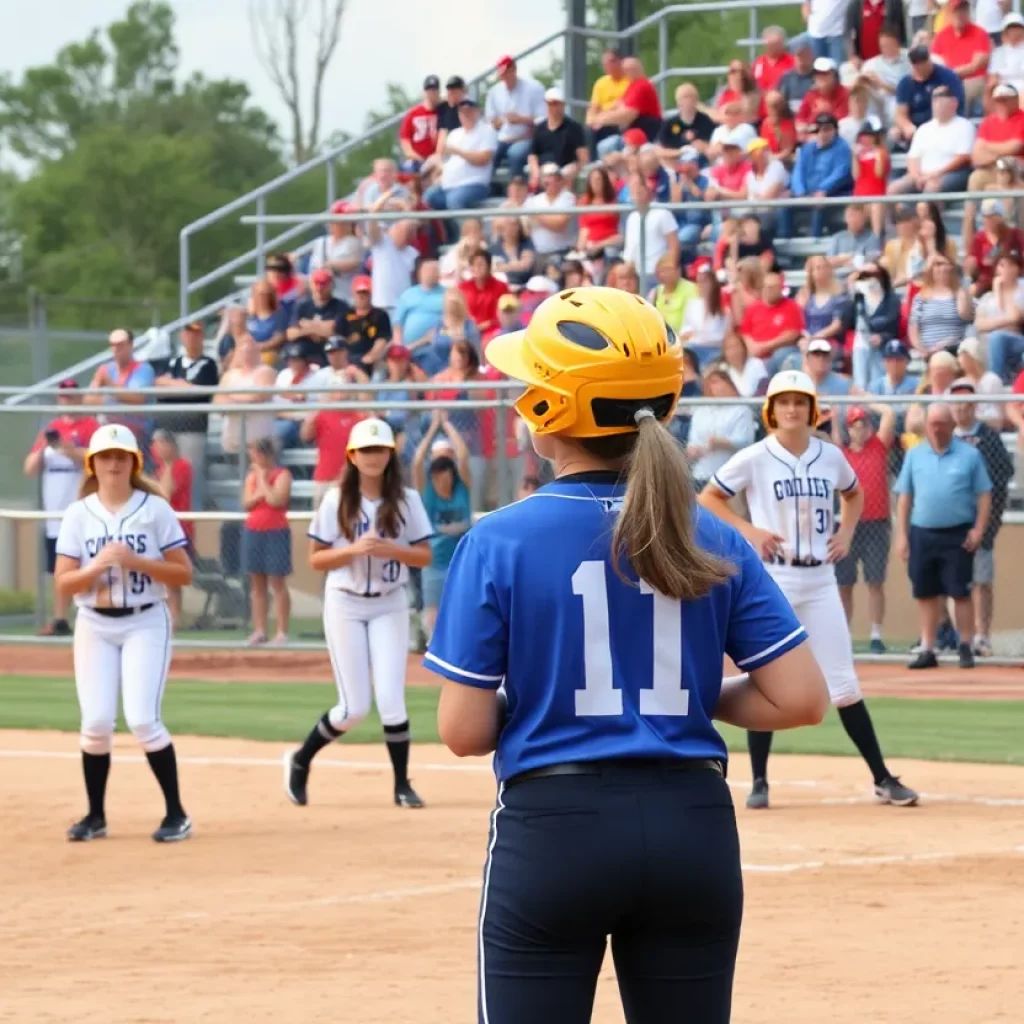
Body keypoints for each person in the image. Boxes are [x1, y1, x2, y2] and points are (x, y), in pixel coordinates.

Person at [424, 288, 829, 1024]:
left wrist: (561, 696)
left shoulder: (498, 539)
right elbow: (799, 699)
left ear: (554, 410)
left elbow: (463, 730)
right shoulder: (713, 534)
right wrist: (679, 691)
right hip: (691, 825)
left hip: (556, 828)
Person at [699, 370, 919, 810]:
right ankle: (759, 781)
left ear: (812, 409)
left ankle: (882, 778)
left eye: (800, 401)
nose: (792, 409)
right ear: (771, 411)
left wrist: (848, 533)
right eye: (783, 402)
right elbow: (708, 498)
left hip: (819, 578)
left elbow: (853, 495)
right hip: (774, 578)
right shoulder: (756, 456)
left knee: (843, 682)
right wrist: (749, 531)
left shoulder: (830, 456)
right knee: (766, 675)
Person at [54, 424, 193, 843]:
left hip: (145, 620)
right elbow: (63, 583)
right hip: (94, 623)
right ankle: (95, 815)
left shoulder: (154, 509)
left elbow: (183, 573)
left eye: (121, 456)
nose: (113, 463)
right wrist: (94, 570)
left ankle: (177, 814)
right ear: (93, 464)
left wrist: (137, 561)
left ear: (133, 462)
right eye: (106, 456)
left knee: (142, 719)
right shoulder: (79, 513)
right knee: (95, 722)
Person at [285, 418, 433, 810]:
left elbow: (424, 554)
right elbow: (316, 558)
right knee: (353, 708)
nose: (373, 457)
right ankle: (301, 760)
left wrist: (393, 550)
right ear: (352, 455)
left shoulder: (406, 499)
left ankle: (402, 784)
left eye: (379, 449)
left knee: (391, 699)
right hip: (346, 601)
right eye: (365, 450)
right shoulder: (337, 499)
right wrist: (352, 551)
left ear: (390, 454)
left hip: (389, 600)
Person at [895, 402, 992, 669]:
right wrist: (902, 536)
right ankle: (928, 648)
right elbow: (904, 499)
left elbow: (984, 495)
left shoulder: (970, 455)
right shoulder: (914, 455)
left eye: (941, 423)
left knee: (960, 592)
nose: (937, 429)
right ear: (926, 426)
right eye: (932, 424)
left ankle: (965, 645)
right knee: (925, 593)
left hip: (957, 534)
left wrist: (978, 529)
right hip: (922, 533)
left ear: (952, 425)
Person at [23, 379, 101, 637]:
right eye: (63, 397)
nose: (67, 401)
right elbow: (30, 470)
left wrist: (68, 450)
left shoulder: (91, 426)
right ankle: (59, 619)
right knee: (59, 568)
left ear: (79, 398)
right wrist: (45, 446)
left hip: (83, 510)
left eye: (71, 396)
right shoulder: (51, 429)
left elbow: (98, 461)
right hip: (54, 514)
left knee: (87, 564)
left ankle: (91, 616)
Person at [949, 377, 1014, 657]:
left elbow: (1003, 475)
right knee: (954, 584)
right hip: (949, 524)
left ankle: (982, 636)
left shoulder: (988, 437)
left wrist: (987, 520)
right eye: (957, 405)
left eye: (966, 404)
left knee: (982, 582)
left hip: (980, 524)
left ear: (975, 406)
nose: (961, 410)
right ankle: (961, 637)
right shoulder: (945, 436)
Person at [833, 403, 898, 652]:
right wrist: (834, 407)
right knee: (844, 583)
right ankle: (844, 636)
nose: (859, 430)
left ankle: (875, 635)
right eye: (854, 425)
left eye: (863, 425)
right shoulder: (842, 454)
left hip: (877, 523)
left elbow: (889, 414)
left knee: (875, 581)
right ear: (848, 429)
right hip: (849, 525)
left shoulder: (878, 447)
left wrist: (864, 399)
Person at [412, 412, 473, 638]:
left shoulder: (461, 489)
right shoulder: (427, 494)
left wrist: (447, 424)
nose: (442, 478)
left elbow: (464, 456)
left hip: (461, 561)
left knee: (464, 611)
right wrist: (432, 429)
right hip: (434, 563)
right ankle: (430, 643)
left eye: (445, 472)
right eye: (437, 473)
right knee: (432, 617)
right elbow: (417, 462)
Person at [242, 438, 293, 646]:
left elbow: (276, 500)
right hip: (254, 530)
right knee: (257, 584)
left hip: (276, 531)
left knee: (277, 582)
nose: (252, 458)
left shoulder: (283, 475)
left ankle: (281, 631)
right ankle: (260, 630)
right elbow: (246, 503)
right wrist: (260, 491)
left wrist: (263, 480)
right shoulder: (250, 476)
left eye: (254, 453)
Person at [151, 429, 194, 629]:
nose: (157, 449)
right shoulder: (159, 469)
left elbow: (166, 494)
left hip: (179, 529)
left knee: (173, 576)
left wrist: (167, 464)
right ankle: (164, 616)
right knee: (161, 576)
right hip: (159, 528)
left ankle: (175, 617)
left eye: (161, 444)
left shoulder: (181, 466)